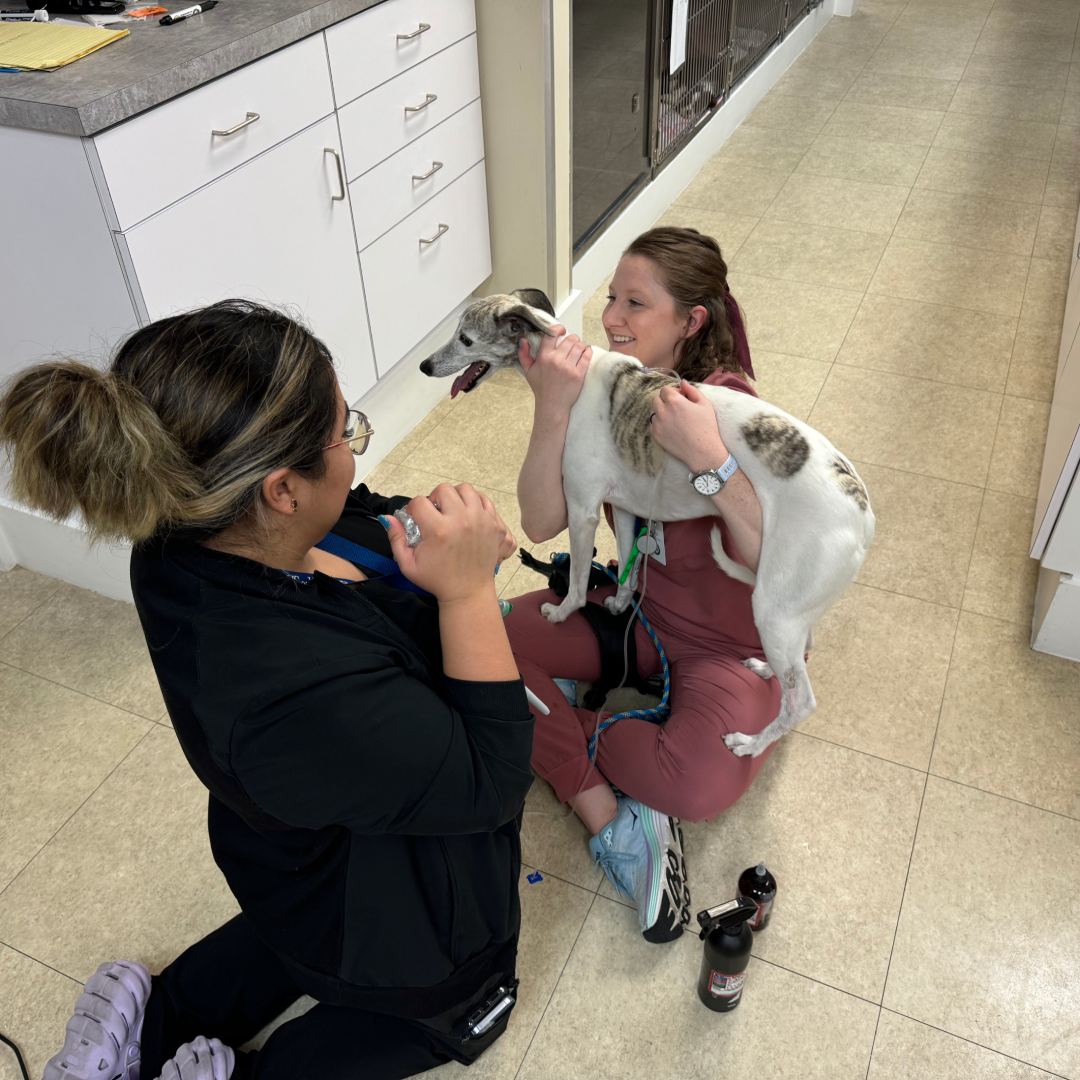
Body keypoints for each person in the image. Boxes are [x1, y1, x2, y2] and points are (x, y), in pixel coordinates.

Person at [0, 300, 534, 1080]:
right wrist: (467, 593)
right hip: (398, 904)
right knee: (468, 1001)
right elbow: (491, 780)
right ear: (281, 490)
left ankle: (153, 1030)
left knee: (293, 926)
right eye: (345, 432)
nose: (354, 452)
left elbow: (351, 510)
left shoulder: (184, 532)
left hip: (291, 859)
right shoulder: (295, 687)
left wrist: (421, 533)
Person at [505, 226, 781, 942]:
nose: (613, 320)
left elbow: (772, 560)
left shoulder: (726, 405)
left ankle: (548, 726)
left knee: (698, 783)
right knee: (484, 637)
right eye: (610, 299)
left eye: (636, 304)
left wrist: (712, 464)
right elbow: (539, 522)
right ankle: (608, 802)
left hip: (728, 643)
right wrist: (553, 406)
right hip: (636, 613)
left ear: (691, 323)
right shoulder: (605, 388)